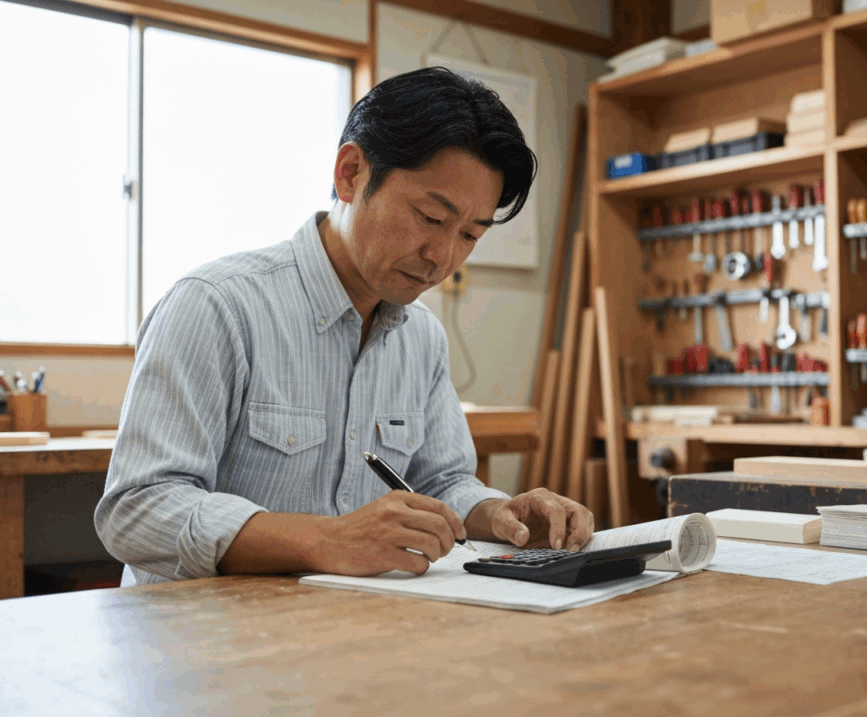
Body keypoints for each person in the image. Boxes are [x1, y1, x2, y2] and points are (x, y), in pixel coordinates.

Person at [95, 66, 595, 586]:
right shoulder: (216, 306)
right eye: (430, 217)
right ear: (351, 173)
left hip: (353, 635)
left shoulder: (420, 337)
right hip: (207, 645)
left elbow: (440, 481)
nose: (442, 257)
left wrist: (499, 515)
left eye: (470, 234)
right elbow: (137, 509)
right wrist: (325, 540)